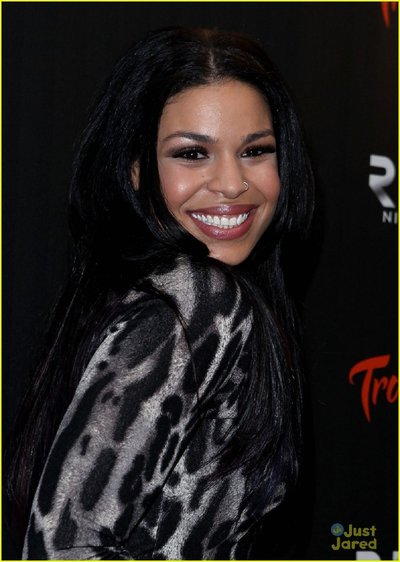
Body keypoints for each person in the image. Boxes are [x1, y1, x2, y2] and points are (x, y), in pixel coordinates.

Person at [8, 26, 314, 559]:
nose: (232, 183)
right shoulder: (197, 302)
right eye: (192, 154)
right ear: (134, 170)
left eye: (255, 151)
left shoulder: (143, 297)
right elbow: (64, 546)